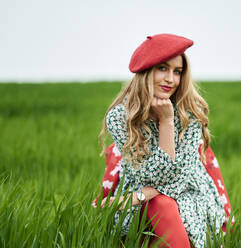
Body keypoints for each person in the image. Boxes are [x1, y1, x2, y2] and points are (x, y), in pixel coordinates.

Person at [97, 33, 229, 248]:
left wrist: (167, 120)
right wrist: (140, 196)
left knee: (162, 203)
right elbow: (151, 176)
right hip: (139, 195)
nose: (171, 79)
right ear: (146, 70)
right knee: (157, 204)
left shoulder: (190, 112)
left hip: (189, 193)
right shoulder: (121, 118)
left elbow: (179, 179)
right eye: (163, 68)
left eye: (177, 72)